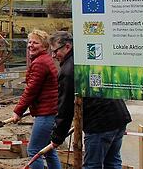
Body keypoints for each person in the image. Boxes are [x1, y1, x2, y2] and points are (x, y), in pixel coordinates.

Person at [48, 31, 131, 169]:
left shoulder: (69, 69)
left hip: (100, 123)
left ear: (67, 47)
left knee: (92, 166)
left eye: (55, 51)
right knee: (113, 162)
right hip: (118, 115)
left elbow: (65, 107)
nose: (53, 56)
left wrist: (57, 137)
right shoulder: (86, 57)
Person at [10, 29, 60, 169]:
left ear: (44, 46)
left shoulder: (40, 63)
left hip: (46, 113)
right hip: (50, 111)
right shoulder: (44, 60)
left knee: (34, 151)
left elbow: (31, 90)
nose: (31, 45)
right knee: (49, 151)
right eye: (29, 42)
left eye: (35, 42)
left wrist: (18, 111)